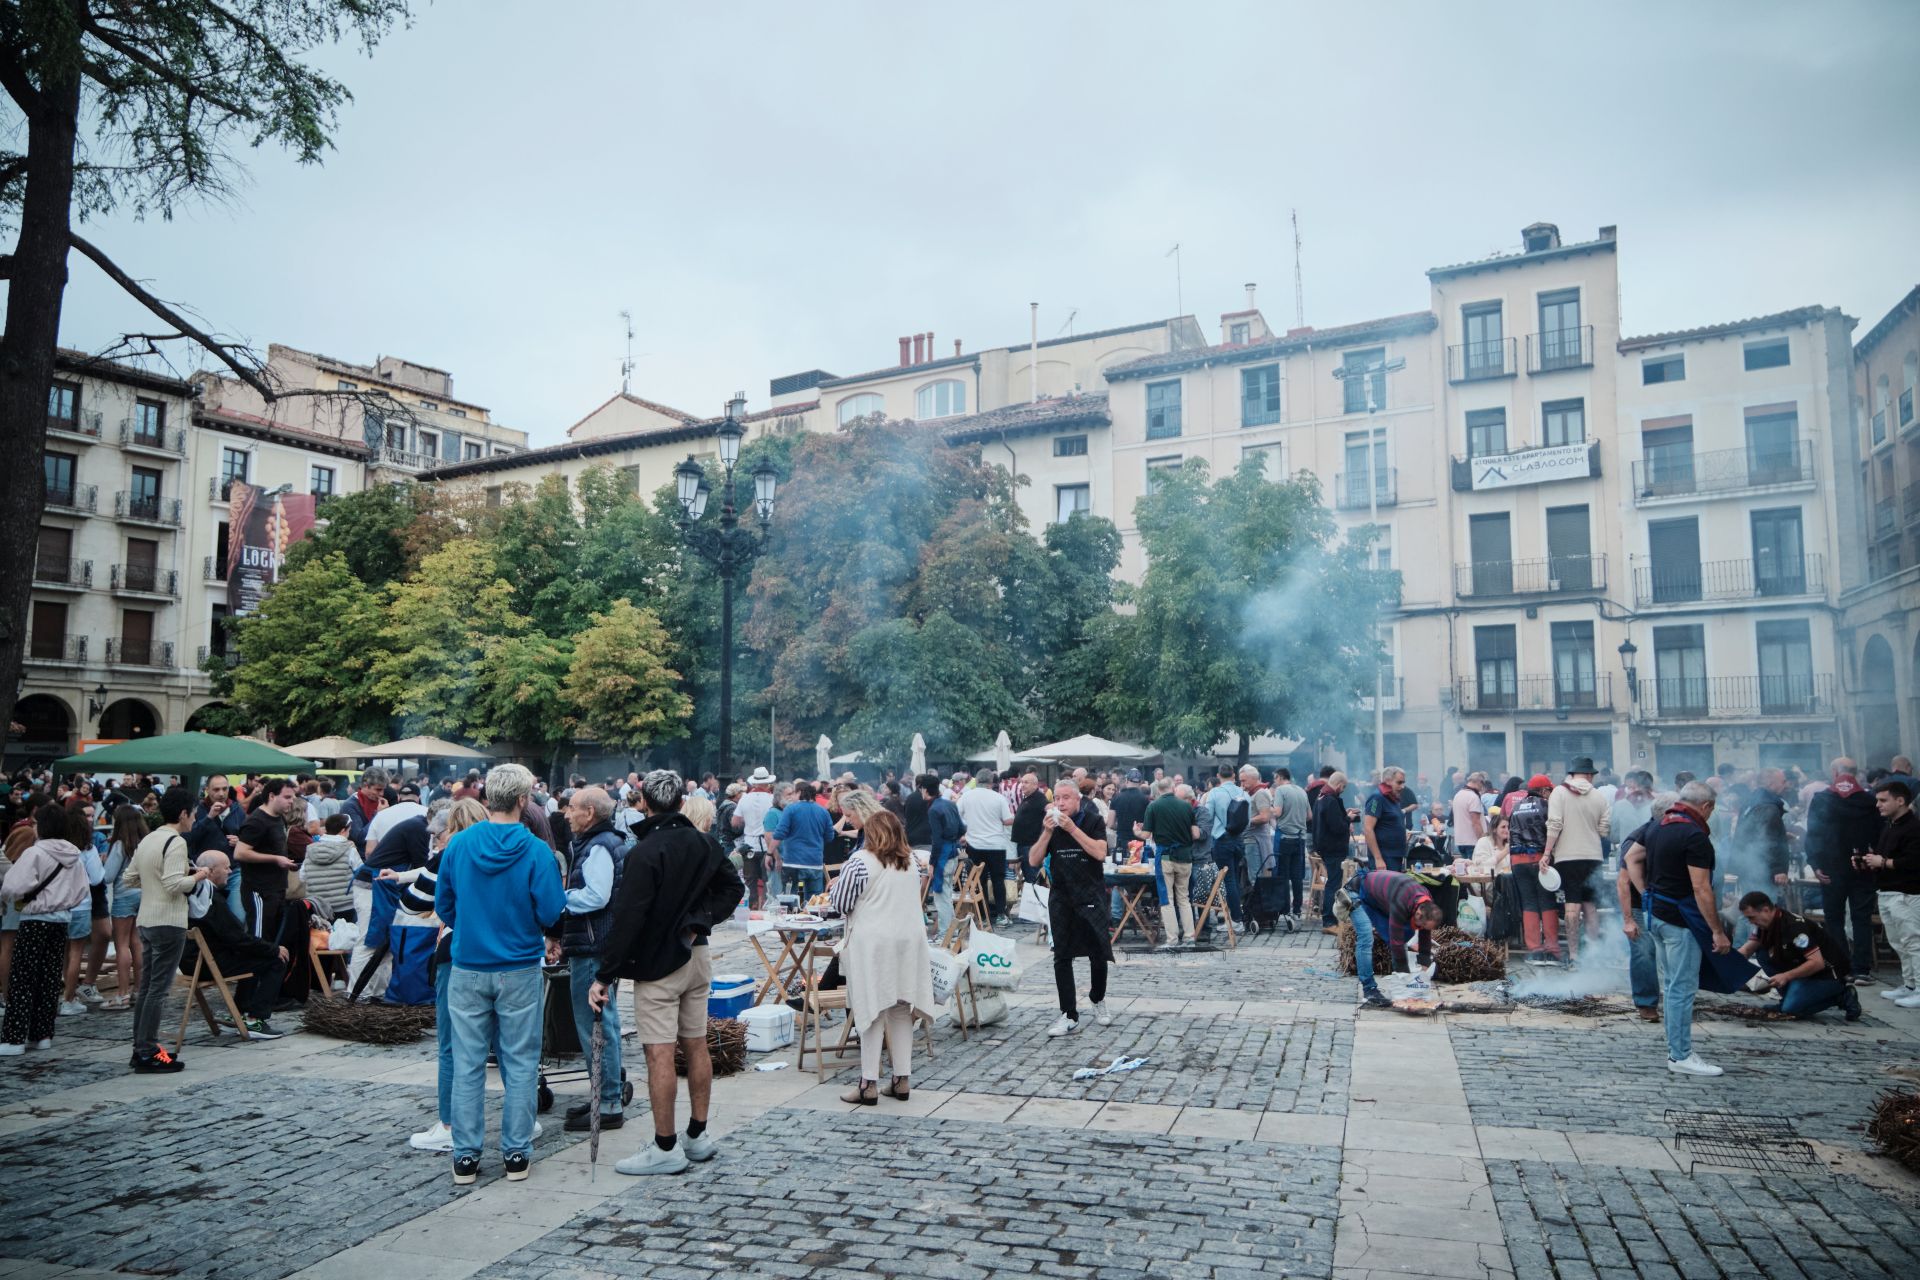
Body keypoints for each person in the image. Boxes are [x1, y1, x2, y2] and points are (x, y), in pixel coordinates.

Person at [591, 769, 745, 1176]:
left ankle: (665, 1146)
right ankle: (697, 1134)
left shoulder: (644, 852)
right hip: (695, 954)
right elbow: (734, 888)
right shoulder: (703, 843)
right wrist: (701, 920)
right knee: (695, 1043)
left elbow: (628, 918)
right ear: (680, 802)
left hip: (659, 963)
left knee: (659, 1051)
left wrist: (604, 975)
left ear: (644, 802)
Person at [433, 763, 568, 1186]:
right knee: (520, 1062)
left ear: (488, 796)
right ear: (523, 800)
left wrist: (471, 926)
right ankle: (516, 1152)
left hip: (469, 965)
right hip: (518, 965)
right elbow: (552, 910)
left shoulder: (460, 844)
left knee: (468, 1063)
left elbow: (443, 904)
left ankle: (465, 1155)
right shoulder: (536, 851)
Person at [397, 798, 487, 1153]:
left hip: (459, 950)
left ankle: (450, 1123)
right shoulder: (513, 848)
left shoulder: (450, 855)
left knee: (452, 1042)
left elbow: (412, 901)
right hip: (507, 955)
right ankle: (522, 1120)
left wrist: (448, 913)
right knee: (510, 1046)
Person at [829, 810, 935, 1103]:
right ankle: (902, 1079)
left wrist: (836, 887)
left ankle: (868, 1084)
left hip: (873, 944)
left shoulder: (859, 862)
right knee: (901, 1008)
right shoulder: (912, 862)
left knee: (871, 1010)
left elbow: (841, 903)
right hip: (908, 941)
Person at [548, 786, 628, 1134]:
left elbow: (596, 896)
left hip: (593, 946)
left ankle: (608, 1102)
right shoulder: (600, 842)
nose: (566, 814)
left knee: (596, 1026)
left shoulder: (598, 845)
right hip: (597, 944)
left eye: (572, 808)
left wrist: (559, 898)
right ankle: (605, 1095)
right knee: (602, 1024)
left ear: (590, 813)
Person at [1643, 781, 1732, 1076]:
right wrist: (1717, 931)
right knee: (1681, 989)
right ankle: (1680, 1055)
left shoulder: (1658, 826)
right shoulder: (1694, 835)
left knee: (1672, 987)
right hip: (1680, 922)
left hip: (1657, 915)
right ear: (1706, 806)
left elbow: (1633, 860)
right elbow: (1702, 888)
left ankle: (1676, 1049)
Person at [123, 791, 209, 1071]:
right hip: (168, 921)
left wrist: (154, 884)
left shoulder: (149, 838)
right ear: (183, 813)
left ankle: (141, 1048)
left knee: (148, 987)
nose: (195, 818)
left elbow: (129, 878)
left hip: (147, 919)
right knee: (157, 990)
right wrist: (199, 875)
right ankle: (147, 1052)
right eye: (193, 813)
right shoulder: (176, 842)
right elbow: (174, 885)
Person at [0, 803, 95, 1054]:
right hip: (61, 920)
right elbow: (82, 890)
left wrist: (19, 899)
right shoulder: (73, 855)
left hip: (35, 919)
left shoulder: (35, 853)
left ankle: (14, 1039)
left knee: (23, 978)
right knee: (50, 978)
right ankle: (42, 1034)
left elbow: (12, 886)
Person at [1027, 783, 1112, 1036]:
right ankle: (1069, 1014)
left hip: (1091, 894)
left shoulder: (1093, 820)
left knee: (1098, 952)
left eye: (1066, 798)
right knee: (1061, 956)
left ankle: (1097, 997)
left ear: (1077, 800)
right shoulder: (1050, 824)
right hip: (1061, 895)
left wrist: (1072, 829)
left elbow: (1100, 853)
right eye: (1057, 798)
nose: (1061, 803)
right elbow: (1033, 860)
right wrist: (1046, 832)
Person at [181, 851, 291, 1040]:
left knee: (253, 956)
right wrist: (273, 949)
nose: (230, 871)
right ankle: (256, 1018)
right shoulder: (211, 899)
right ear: (211, 871)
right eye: (226, 867)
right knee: (276, 960)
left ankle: (239, 1012)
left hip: (192, 962)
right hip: (207, 964)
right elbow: (236, 938)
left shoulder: (196, 892)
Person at [1805, 758, 1879, 983]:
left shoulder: (1823, 798)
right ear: (1856, 773)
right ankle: (1862, 969)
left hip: (1831, 868)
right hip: (1863, 866)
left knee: (1834, 918)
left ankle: (1842, 967)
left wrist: (1815, 864)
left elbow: (1813, 833)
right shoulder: (1870, 800)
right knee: (1861, 918)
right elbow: (1879, 833)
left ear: (1835, 772)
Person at [1735, 892, 1861, 1021]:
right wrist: (1727, 965)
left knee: (1790, 1010)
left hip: (1827, 975)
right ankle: (1789, 997)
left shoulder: (1794, 927)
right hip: (1803, 971)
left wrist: (1786, 976)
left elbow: (1817, 963)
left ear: (1766, 910)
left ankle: (1842, 996)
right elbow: (1746, 950)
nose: (1751, 922)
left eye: (1752, 917)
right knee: (1763, 953)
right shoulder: (1764, 926)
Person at [1335, 868, 1444, 1008]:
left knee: (1408, 933)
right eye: (1422, 924)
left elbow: (1425, 933)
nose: (1422, 927)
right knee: (1366, 936)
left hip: (1380, 897)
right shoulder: (1402, 902)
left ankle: (1396, 982)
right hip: (1356, 891)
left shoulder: (1426, 902)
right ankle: (1369, 990)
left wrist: (1424, 965)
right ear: (1418, 914)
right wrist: (1403, 976)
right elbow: (1396, 941)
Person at [1543, 756, 1610, 963]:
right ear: (1589, 775)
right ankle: (1594, 955)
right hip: (1593, 856)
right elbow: (1604, 830)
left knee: (1572, 906)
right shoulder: (1599, 796)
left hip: (1567, 857)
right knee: (1591, 906)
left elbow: (1554, 824)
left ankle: (1574, 956)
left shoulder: (1559, 792)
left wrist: (1547, 853)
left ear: (1572, 773)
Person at [1864, 778, 1920, 1008]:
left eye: (1883, 800)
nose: (1878, 805)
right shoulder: (1889, 826)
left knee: (1913, 942)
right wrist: (1868, 862)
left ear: (1900, 801)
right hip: (1887, 892)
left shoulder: (1914, 827)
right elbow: (1884, 857)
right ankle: (1909, 985)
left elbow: (1914, 862)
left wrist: (1884, 862)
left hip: (1907, 894)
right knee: (1898, 942)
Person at [234, 777, 299, 941]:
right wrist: (275, 859)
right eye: (287, 797)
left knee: (272, 938)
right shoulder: (257, 821)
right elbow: (240, 853)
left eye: (292, 797)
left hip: (276, 888)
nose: (291, 801)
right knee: (259, 939)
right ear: (271, 796)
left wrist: (286, 860)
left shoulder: (279, 818)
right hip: (259, 890)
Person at [100, 805, 151, 1009]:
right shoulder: (146, 842)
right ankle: (139, 990)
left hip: (124, 895)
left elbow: (108, 876)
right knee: (137, 943)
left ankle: (122, 994)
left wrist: (104, 862)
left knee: (121, 944)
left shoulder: (121, 844)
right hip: (143, 894)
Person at [1508, 775, 1559, 964]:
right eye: (1550, 790)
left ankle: (1535, 950)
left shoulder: (1516, 806)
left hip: (1517, 860)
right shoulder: (1546, 805)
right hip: (1540, 858)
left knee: (1529, 903)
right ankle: (1552, 950)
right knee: (1547, 901)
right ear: (1544, 790)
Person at [954, 769, 1015, 926]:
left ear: (976, 780)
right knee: (997, 880)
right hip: (996, 845)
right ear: (991, 782)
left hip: (974, 844)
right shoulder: (998, 797)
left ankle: (983, 914)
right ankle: (1001, 914)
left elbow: (956, 814)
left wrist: (966, 829)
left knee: (978, 881)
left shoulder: (966, 796)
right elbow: (1007, 820)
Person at [1143, 777, 1198, 945]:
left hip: (1165, 856)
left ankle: (1172, 939)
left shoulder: (1153, 806)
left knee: (1167, 898)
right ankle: (1189, 937)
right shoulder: (1187, 806)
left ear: (1158, 790)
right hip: (1185, 856)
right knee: (1184, 898)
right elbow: (1196, 834)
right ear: (1173, 788)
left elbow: (1145, 835)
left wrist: (1136, 831)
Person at [765, 780, 834, 904]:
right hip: (815, 863)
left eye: (794, 793)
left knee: (794, 901)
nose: (792, 797)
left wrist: (769, 853)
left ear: (799, 793)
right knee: (813, 902)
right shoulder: (823, 811)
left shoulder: (791, 809)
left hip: (794, 863)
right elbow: (830, 837)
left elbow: (779, 834)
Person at [1312, 772, 1353, 934]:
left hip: (1326, 848)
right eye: (1343, 787)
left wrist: (1344, 814)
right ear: (1339, 784)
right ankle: (1329, 921)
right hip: (1333, 849)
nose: (1343, 790)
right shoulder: (1330, 800)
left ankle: (1331, 919)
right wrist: (1348, 818)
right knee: (1333, 884)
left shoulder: (1321, 797)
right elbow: (1338, 827)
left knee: (1333, 883)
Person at [923, 774, 964, 935]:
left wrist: (932, 864)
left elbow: (937, 840)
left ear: (925, 790)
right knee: (946, 894)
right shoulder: (950, 804)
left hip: (942, 857)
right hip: (953, 852)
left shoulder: (933, 809)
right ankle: (951, 931)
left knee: (941, 896)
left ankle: (946, 932)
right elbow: (962, 828)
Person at [1270, 768, 1311, 923]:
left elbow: (1277, 812)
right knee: (1297, 876)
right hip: (1300, 838)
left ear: (1280, 777)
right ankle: (1297, 910)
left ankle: (1285, 910)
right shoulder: (1302, 791)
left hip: (1285, 838)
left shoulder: (1280, 790)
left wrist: (1268, 808)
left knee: (1283, 876)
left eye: (1275, 778)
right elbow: (1309, 816)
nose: (1275, 782)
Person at [302, 814, 359, 923]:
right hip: (345, 905)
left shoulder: (310, 850)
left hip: (318, 906)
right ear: (343, 830)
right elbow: (360, 873)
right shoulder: (350, 849)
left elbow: (303, 876)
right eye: (349, 831)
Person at [1363, 766, 1410, 873]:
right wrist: (1378, 859)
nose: (1402, 786)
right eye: (1399, 782)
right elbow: (1368, 829)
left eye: (1403, 783)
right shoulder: (1377, 798)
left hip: (1395, 856)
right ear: (1388, 781)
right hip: (1384, 858)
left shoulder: (1393, 798)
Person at [1451, 772, 1489, 862]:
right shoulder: (1473, 797)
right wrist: (1483, 841)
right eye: (1483, 784)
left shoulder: (1458, 795)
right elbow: (1476, 822)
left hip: (1460, 841)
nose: (1482, 787)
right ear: (1479, 782)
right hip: (1473, 842)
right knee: (1475, 868)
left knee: (1466, 867)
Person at [1470, 811, 1511, 876]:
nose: (1507, 830)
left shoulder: (1508, 844)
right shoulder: (1483, 842)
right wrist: (1505, 852)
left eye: (1508, 827)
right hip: (1488, 880)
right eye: (1503, 827)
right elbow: (1481, 867)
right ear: (1494, 829)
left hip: (1505, 880)